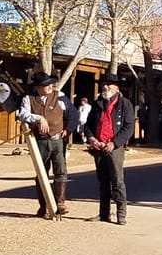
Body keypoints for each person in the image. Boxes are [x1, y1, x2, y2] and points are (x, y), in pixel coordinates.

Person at [17, 71, 79, 218]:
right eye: (45, 85)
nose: (50, 86)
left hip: (57, 140)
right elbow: (22, 114)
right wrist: (39, 118)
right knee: (41, 174)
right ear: (38, 87)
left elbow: (73, 114)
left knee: (61, 172)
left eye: (50, 84)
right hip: (40, 141)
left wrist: (68, 129)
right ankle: (44, 206)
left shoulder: (60, 96)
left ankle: (60, 204)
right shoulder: (29, 98)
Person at [84, 73, 135, 225]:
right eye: (104, 84)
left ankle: (121, 215)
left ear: (116, 87)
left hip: (115, 147)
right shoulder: (97, 104)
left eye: (109, 84)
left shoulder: (125, 104)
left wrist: (114, 143)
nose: (105, 87)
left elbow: (128, 127)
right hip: (99, 146)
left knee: (117, 181)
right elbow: (88, 126)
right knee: (103, 181)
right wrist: (92, 138)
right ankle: (104, 213)